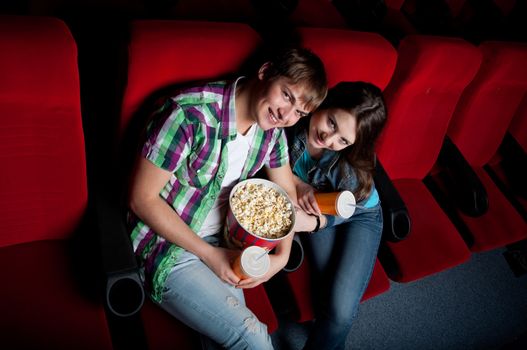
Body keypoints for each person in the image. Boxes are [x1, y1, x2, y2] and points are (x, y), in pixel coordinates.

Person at [127, 47, 327, 349]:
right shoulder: (188, 115)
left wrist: (281, 257)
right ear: (265, 72)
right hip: (168, 245)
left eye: (300, 112)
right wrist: (211, 256)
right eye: (286, 95)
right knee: (254, 339)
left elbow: (284, 194)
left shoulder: (271, 131)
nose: (287, 116)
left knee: (226, 340)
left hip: (227, 239)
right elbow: (141, 199)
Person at [286, 81, 387, 350]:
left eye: (343, 140)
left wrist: (309, 222)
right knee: (326, 296)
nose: (329, 140)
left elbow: (346, 208)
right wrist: (297, 183)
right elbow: (271, 162)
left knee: (340, 310)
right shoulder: (292, 117)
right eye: (331, 123)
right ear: (325, 103)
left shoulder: (349, 166)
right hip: (323, 202)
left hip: (359, 214)